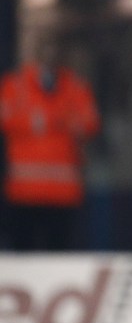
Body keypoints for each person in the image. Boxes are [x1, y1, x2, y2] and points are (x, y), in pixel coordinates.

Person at [0, 35, 100, 250]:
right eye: (46, 53)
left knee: (60, 256)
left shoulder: (75, 88)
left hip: (63, 194)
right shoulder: (16, 87)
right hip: (23, 193)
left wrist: (49, 120)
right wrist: (50, 121)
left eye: (56, 53)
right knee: (22, 256)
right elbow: (6, 118)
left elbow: (89, 123)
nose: (51, 59)